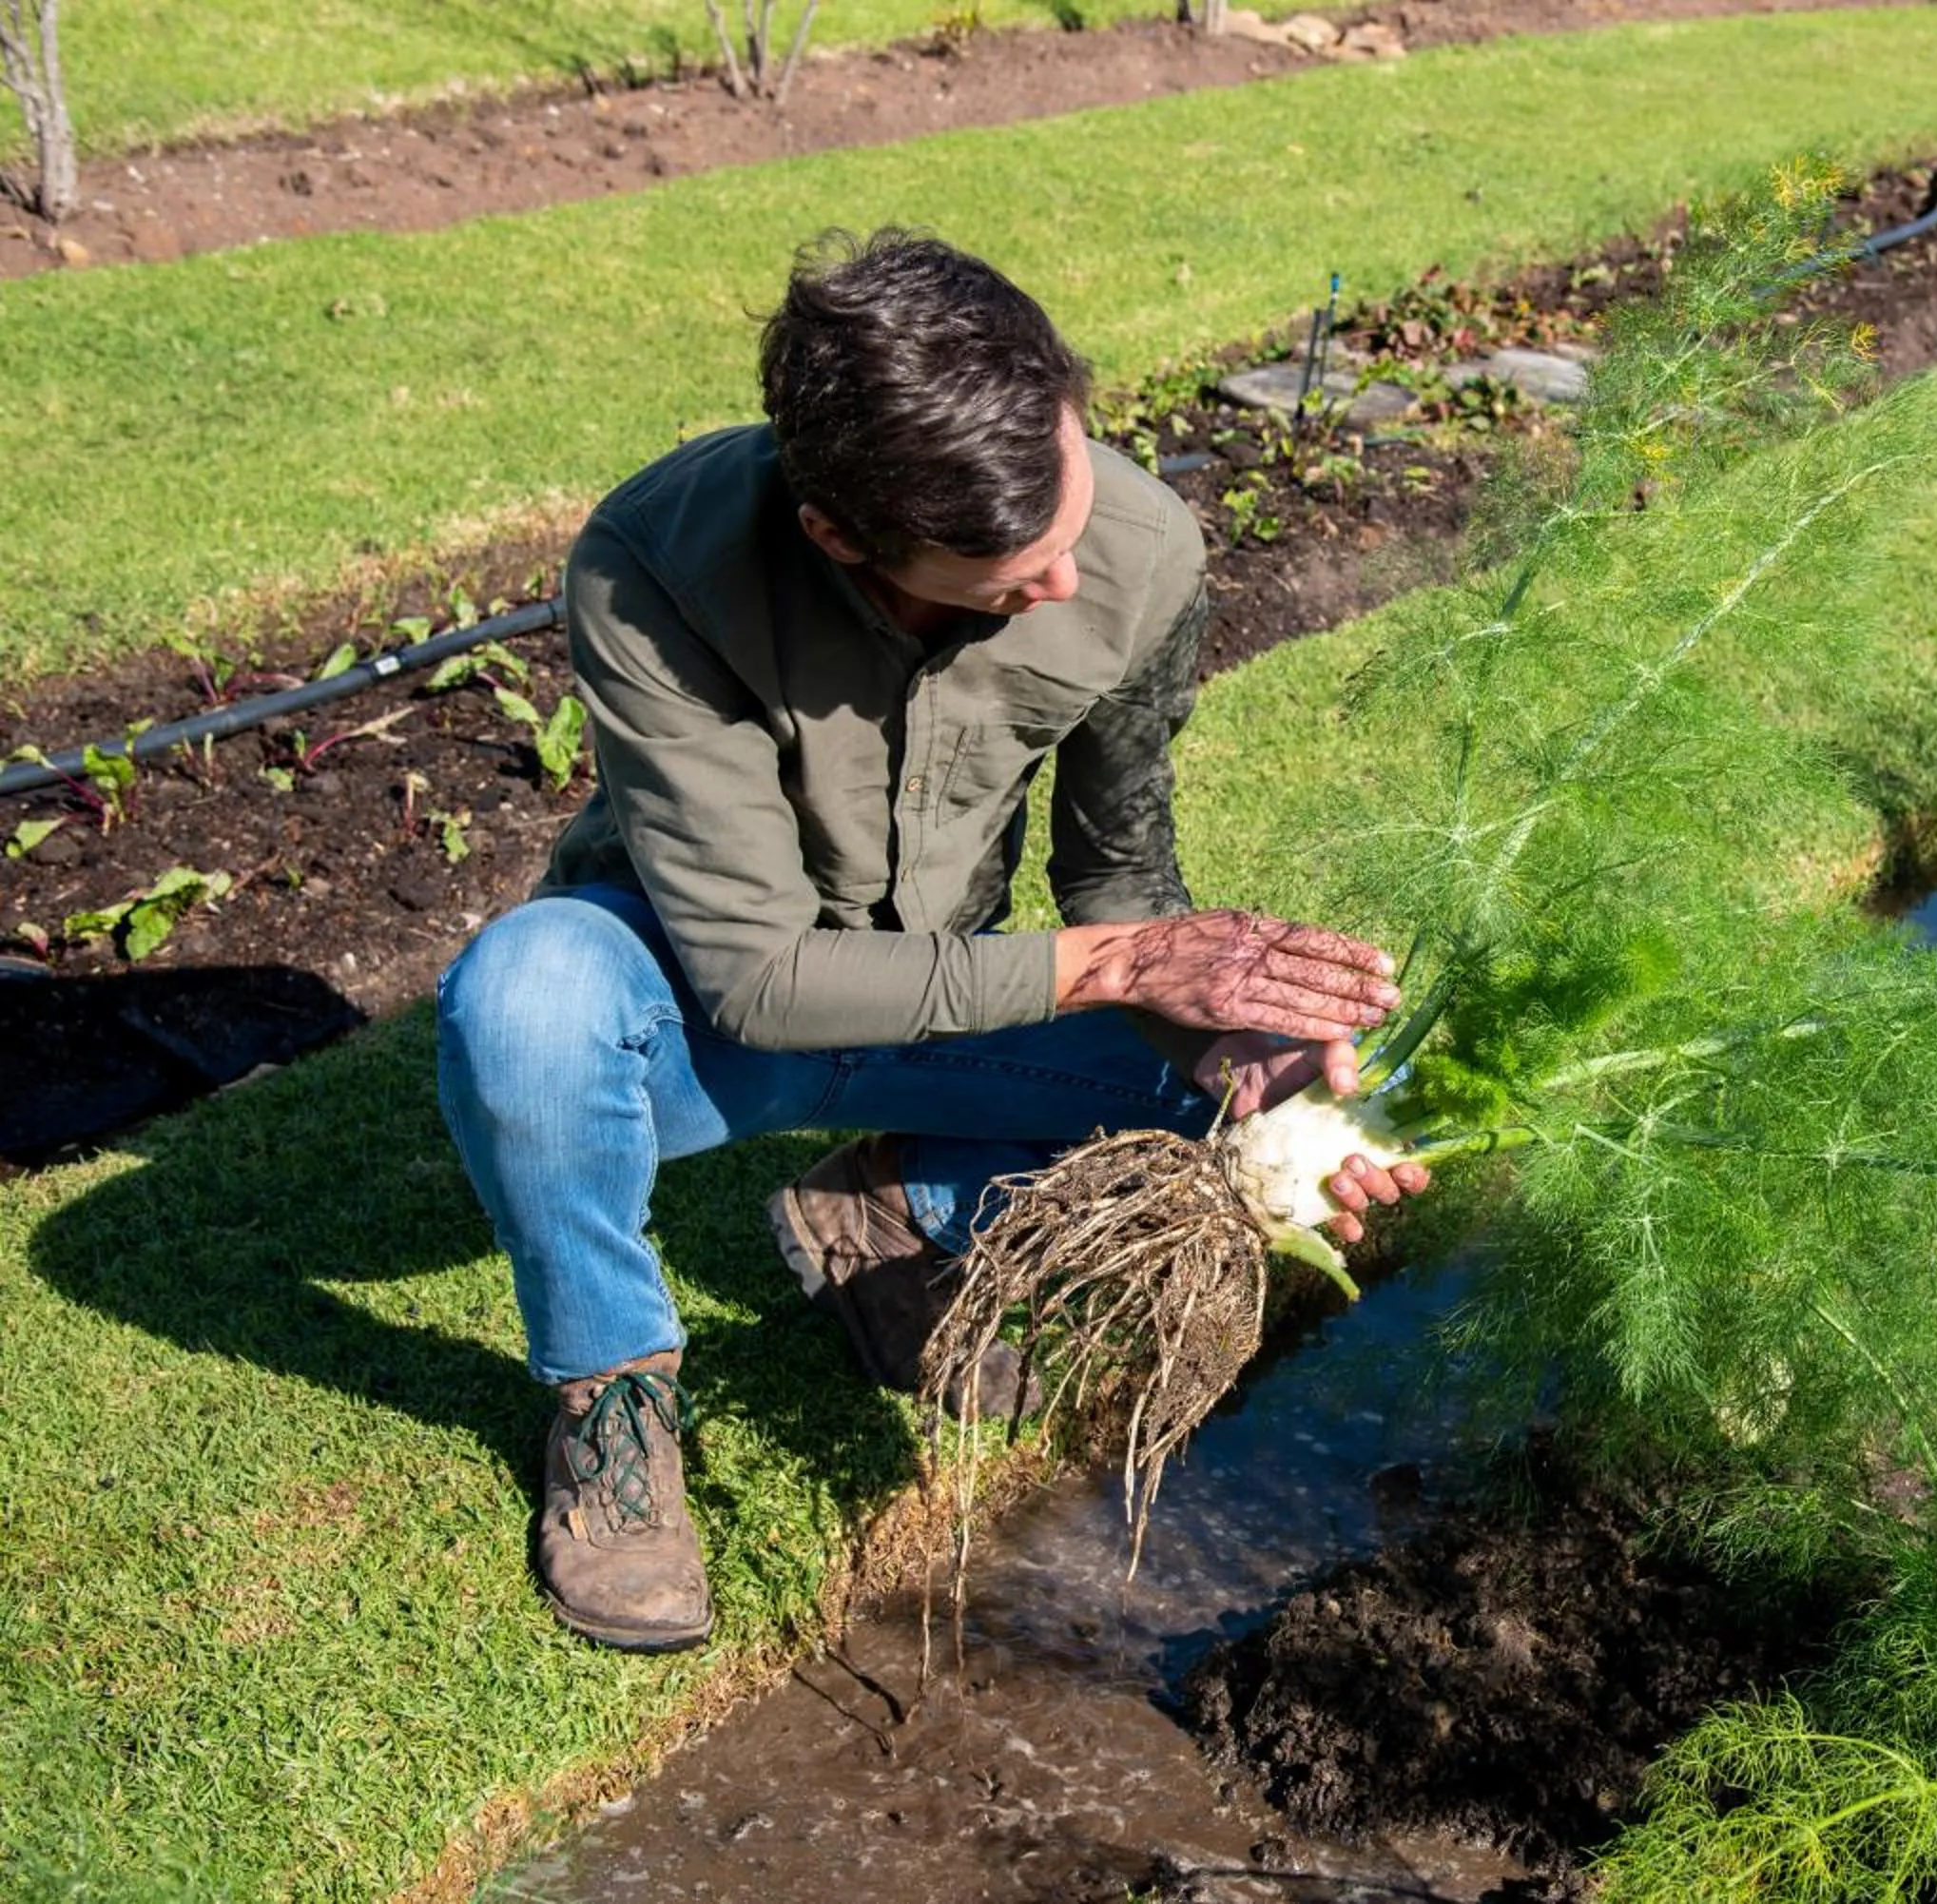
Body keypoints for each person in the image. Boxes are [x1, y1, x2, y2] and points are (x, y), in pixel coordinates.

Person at [436, 230, 1428, 1653]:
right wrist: (1117, 969)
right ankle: (613, 1397)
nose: (1070, 586)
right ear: (840, 532)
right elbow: (758, 974)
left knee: (1252, 1095)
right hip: (696, 1012)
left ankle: (899, 1203)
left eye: (1075, 525)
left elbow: (1120, 876)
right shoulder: (657, 566)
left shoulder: (1138, 556)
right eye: (1019, 575)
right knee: (522, 1004)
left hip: (943, 1004)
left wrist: (1259, 1069)